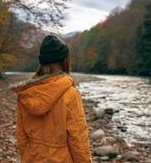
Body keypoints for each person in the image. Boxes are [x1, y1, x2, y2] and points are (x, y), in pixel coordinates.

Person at [11, 35, 93, 163]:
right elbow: (78, 138)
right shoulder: (70, 94)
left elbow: (21, 135)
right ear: (64, 60)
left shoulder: (27, 92)